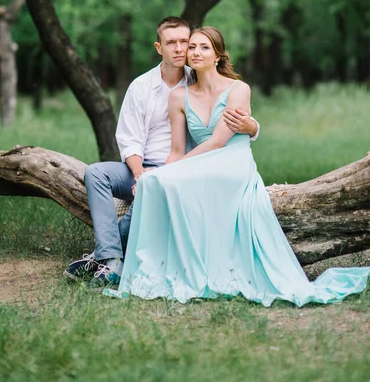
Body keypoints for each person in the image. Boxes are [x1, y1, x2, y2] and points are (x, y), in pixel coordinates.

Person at [109, 27, 370, 306]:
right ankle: (142, 264)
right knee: (152, 183)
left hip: (232, 159)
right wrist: (159, 174)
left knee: (165, 178)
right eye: (193, 47)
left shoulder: (238, 89)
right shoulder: (178, 97)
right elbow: (175, 150)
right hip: (199, 160)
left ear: (219, 56)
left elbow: (219, 141)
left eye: (204, 47)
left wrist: (168, 171)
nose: (195, 52)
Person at [64, 18, 259, 286]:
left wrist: (253, 127)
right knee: (96, 172)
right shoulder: (141, 87)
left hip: (183, 166)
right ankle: (110, 258)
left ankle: (104, 258)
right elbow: (129, 141)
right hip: (143, 165)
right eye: (173, 43)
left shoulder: (199, 78)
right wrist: (140, 172)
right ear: (159, 48)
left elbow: (224, 128)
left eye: (186, 43)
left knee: (152, 186)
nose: (182, 49)